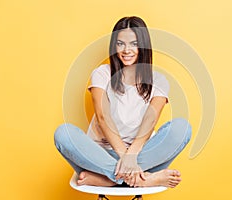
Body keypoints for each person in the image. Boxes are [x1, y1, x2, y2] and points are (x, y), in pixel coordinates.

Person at [54, 16, 192, 188]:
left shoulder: (159, 80)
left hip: (140, 156)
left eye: (133, 44)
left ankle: (109, 180)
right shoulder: (102, 73)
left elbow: (151, 119)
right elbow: (103, 116)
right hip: (101, 157)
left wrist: (131, 156)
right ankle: (142, 179)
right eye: (120, 44)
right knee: (63, 134)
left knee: (182, 128)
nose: (126, 50)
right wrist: (123, 156)